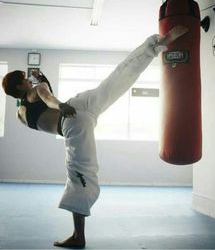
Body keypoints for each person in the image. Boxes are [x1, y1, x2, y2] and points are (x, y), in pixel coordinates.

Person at [2, 26, 187, 249]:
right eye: (25, 79)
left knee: (80, 176)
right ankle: (154, 46)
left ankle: (78, 236)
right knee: (116, 79)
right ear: (19, 85)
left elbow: (42, 109)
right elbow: (47, 96)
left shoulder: (20, 114)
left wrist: (56, 101)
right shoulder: (35, 91)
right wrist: (59, 103)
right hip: (78, 106)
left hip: (71, 122)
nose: (29, 81)